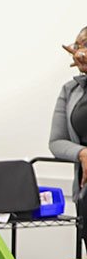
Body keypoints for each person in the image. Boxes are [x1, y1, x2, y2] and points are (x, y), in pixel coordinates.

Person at [49, 26, 87, 195]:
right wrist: (82, 153)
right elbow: (56, 142)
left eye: (85, 44)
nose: (78, 52)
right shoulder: (70, 90)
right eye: (77, 46)